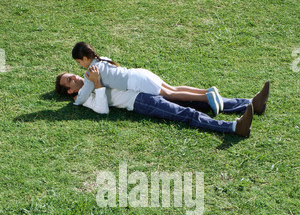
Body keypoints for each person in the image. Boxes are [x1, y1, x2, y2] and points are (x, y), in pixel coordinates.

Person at [55, 66, 270, 138]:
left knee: (198, 101)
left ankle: (251, 103)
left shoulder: (93, 74)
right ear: (69, 91)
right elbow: (102, 110)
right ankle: (235, 127)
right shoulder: (82, 99)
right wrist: (98, 84)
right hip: (139, 101)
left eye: (72, 75)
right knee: (185, 113)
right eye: (69, 80)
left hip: (142, 88)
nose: (74, 77)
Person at [71, 42, 224, 115]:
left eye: (79, 62)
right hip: (140, 74)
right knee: (173, 88)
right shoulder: (103, 59)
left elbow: (85, 92)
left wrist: (77, 102)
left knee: (170, 94)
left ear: (85, 58)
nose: (80, 66)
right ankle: (208, 91)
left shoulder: (92, 72)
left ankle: (206, 97)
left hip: (137, 82)